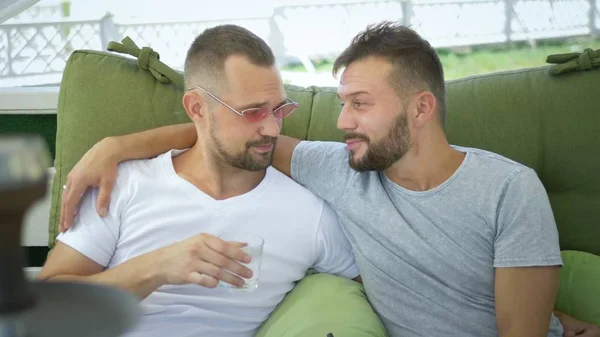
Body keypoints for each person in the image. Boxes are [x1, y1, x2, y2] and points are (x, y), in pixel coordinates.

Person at [58, 22, 600, 337]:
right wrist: (120, 148)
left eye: (359, 104)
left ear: (420, 109)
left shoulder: (507, 188)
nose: (341, 122)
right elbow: (232, 138)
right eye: (341, 103)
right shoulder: (337, 172)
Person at [39, 25, 361, 337]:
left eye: (279, 109)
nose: (273, 129)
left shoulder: (309, 213)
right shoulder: (122, 185)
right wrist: (156, 267)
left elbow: (375, 288)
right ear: (197, 107)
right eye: (252, 113)